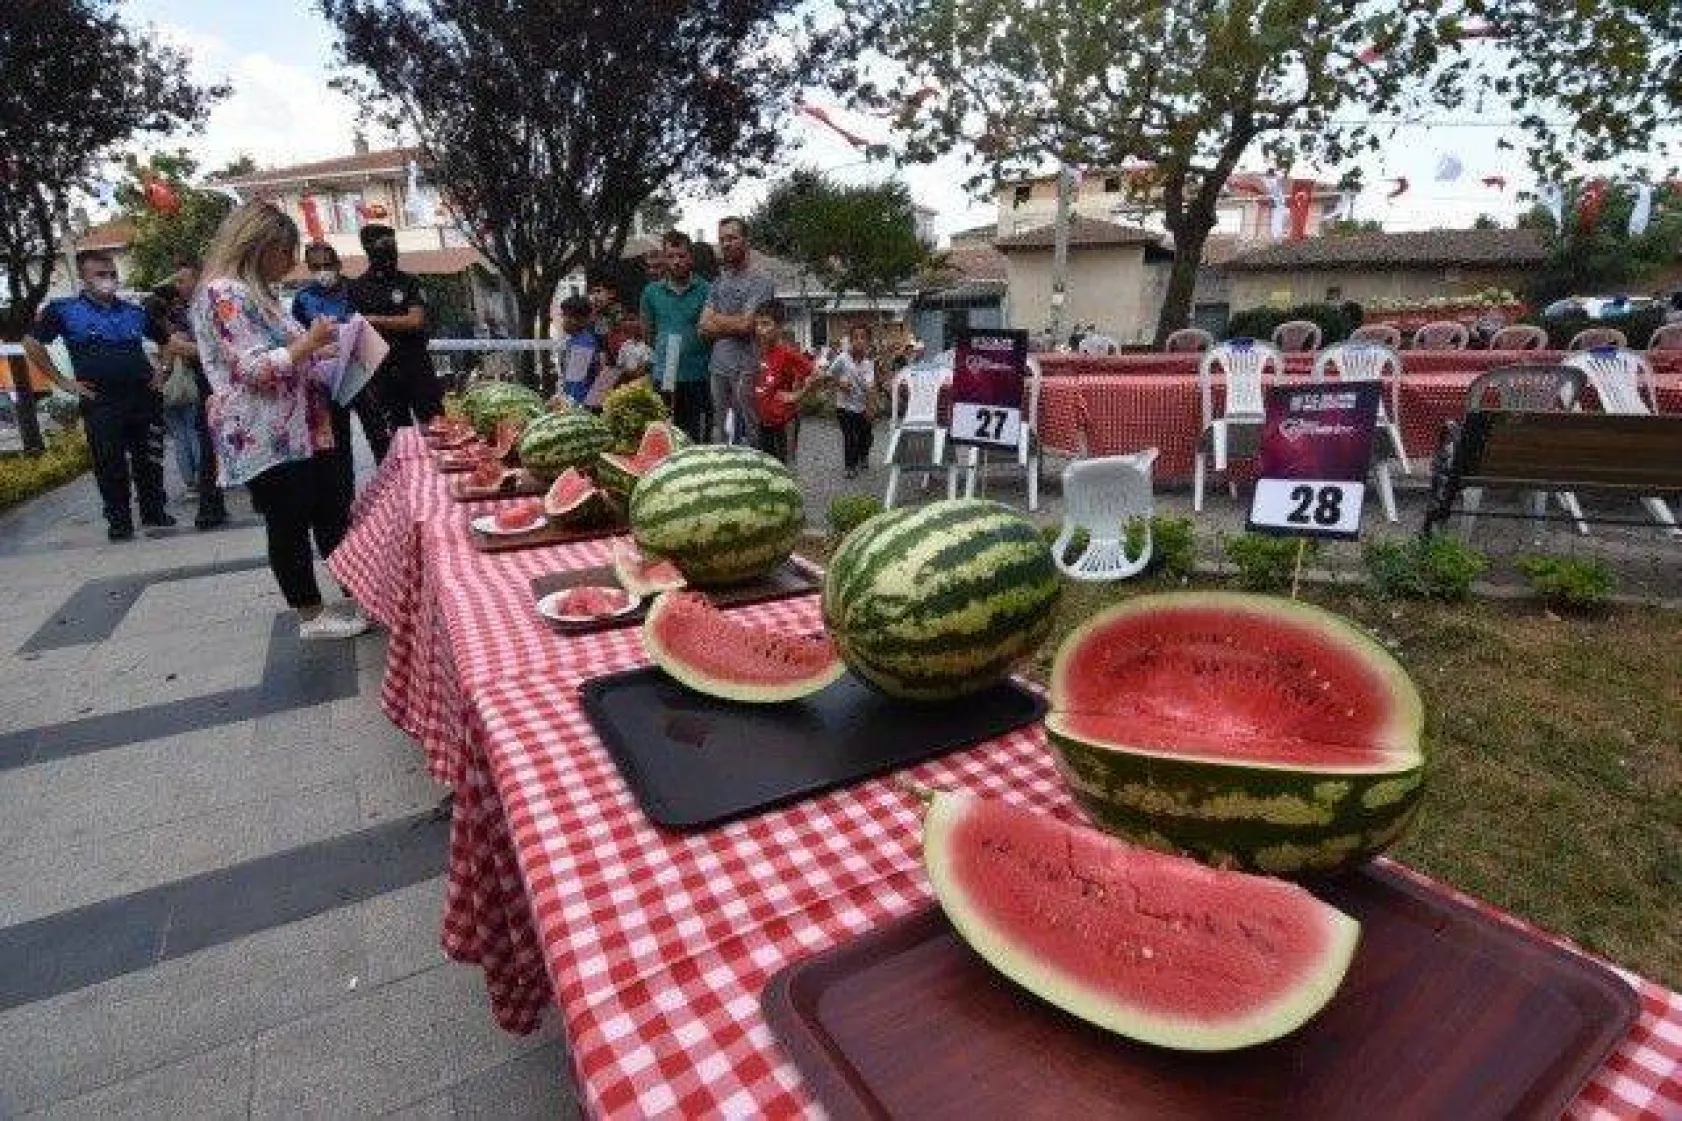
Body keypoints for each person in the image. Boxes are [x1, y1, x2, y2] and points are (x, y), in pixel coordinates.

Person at [190, 202, 367, 640]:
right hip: (264, 433)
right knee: (288, 521)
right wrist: (311, 342)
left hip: (303, 427)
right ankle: (310, 615)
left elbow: (292, 352)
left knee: (329, 509)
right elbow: (253, 369)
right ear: (260, 245)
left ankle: (354, 593)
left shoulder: (260, 294)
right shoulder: (223, 295)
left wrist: (331, 349)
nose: (291, 264)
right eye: (286, 252)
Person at [24, 250, 175, 540]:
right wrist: (64, 382)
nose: (109, 280)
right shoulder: (63, 310)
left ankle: (154, 510)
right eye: (100, 275)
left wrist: (163, 371)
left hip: (142, 395)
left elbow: (166, 340)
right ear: (84, 278)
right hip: (101, 400)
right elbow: (31, 343)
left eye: (112, 274)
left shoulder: (134, 311)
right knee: (109, 462)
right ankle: (119, 520)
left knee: (150, 457)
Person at [293, 241, 393, 467]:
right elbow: (297, 336)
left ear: (338, 264)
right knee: (338, 444)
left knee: (379, 436)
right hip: (329, 379)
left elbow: (375, 327)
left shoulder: (356, 290)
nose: (323, 272)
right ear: (309, 267)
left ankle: (393, 488)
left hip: (363, 373)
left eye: (327, 265)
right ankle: (344, 499)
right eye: (316, 267)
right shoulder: (303, 298)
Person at [347, 223, 441, 436]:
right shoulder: (357, 288)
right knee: (399, 435)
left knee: (435, 428)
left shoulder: (409, 282)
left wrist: (375, 319)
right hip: (383, 370)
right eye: (383, 245)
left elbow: (415, 320)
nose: (390, 251)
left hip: (416, 365)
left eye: (392, 244)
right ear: (368, 249)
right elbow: (357, 329)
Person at [699, 216, 775, 445]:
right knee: (720, 430)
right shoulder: (719, 281)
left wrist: (718, 321)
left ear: (746, 240)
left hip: (747, 367)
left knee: (752, 430)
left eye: (732, 238)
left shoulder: (760, 281)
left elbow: (748, 325)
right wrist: (734, 323)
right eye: (722, 239)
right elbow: (702, 326)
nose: (726, 244)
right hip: (718, 366)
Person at [639, 230, 712, 442]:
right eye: (671, 256)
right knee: (667, 436)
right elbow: (648, 333)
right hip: (664, 377)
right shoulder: (651, 292)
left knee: (697, 437)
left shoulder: (707, 290)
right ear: (664, 258)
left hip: (699, 376)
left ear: (690, 257)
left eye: (681, 255)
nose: (677, 261)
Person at [750, 300, 815, 464]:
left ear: (779, 327)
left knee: (783, 468)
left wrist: (797, 395)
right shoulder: (756, 352)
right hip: (762, 422)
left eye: (765, 324)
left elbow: (818, 374)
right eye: (757, 324)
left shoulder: (787, 353)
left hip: (784, 423)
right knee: (766, 466)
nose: (760, 330)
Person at [829, 324, 877, 478]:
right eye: (855, 337)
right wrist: (840, 384)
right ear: (850, 340)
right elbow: (829, 375)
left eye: (863, 338)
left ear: (868, 342)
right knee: (850, 436)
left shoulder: (868, 364)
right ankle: (850, 466)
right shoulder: (842, 358)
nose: (859, 341)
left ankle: (863, 456)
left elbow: (870, 388)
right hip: (844, 406)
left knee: (866, 437)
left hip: (862, 406)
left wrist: (870, 408)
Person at [555, 295, 601, 407]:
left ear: (579, 320)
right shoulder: (574, 340)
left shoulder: (583, 344)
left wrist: (567, 405)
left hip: (580, 404)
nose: (563, 321)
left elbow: (577, 383)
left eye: (565, 316)